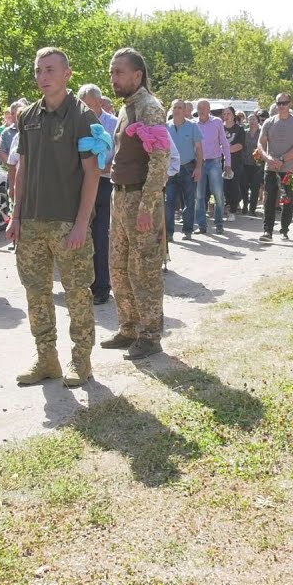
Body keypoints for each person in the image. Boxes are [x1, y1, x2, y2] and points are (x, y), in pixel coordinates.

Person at [8, 47, 101, 387]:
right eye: (38, 71)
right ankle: (47, 359)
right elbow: (23, 168)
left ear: (67, 74)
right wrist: (16, 216)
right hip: (32, 222)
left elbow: (93, 174)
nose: (43, 77)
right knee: (37, 293)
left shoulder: (82, 117)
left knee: (77, 292)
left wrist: (81, 223)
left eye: (50, 70)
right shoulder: (28, 116)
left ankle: (81, 361)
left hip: (67, 223)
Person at [101, 48, 169, 361]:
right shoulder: (127, 108)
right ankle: (129, 327)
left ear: (137, 75)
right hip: (120, 195)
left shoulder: (149, 107)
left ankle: (150, 334)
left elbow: (159, 159)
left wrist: (147, 206)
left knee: (144, 270)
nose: (113, 78)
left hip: (141, 198)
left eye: (119, 72)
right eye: (112, 71)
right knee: (119, 266)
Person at [79, 84, 117, 306]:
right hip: (81, 184)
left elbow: (119, 156)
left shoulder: (112, 124)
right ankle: (83, 283)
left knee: (101, 236)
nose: (86, 111)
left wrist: (101, 168)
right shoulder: (77, 121)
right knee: (81, 235)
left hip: (104, 184)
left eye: (90, 106)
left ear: (100, 103)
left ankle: (102, 286)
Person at [258, 93, 293, 242]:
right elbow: (260, 143)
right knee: (269, 200)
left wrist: (282, 159)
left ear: (290, 103)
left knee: (288, 200)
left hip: (289, 168)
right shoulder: (269, 122)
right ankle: (267, 231)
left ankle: (285, 228)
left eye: (284, 103)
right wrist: (268, 158)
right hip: (271, 167)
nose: (281, 106)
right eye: (279, 103)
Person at [164, 100, 202, 240]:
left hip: (188, 167)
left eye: (180, 107)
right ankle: (168, 233)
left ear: (185, 110)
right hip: (170, 169)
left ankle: (187, 230)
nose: (178, 110)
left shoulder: (192, 126)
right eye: (175, 107)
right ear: (171, 109)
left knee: (189, 201)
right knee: (169, 202)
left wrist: (198, 168)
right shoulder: (165, 127)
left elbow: (199, 148)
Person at [194, 99, 231, 234]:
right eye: (200, 108)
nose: (202, 110)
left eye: (205, 108)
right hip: (198, 163)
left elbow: (225, 144)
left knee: (218, 194)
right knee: (199, 196)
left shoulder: (217, 122)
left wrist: (228, 164)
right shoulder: (193, 124)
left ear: (209, 109)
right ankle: (202, 225)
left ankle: (219, 223)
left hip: (214, 162)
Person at [223, 106, 246, 215]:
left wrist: (226, 150)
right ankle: (226, 205)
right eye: (225, 114)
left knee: (233, 185)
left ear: (233, 115)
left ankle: (233, 209)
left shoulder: (239, 129)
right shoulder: (220, 128)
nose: (226, 116)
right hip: (220, 161)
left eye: (229, 114)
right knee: (224, 186)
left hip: (235, 161)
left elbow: (240, 145)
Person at [242, 111, 264, 215]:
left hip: (257, 164)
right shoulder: (244, 132)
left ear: (258, 120)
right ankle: (245, 206)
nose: (252, 121)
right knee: (244, 186)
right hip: (245, 163)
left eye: (254, 119)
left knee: (255, 187)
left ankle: (252, 209)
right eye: (250, 119)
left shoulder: (261, 133)